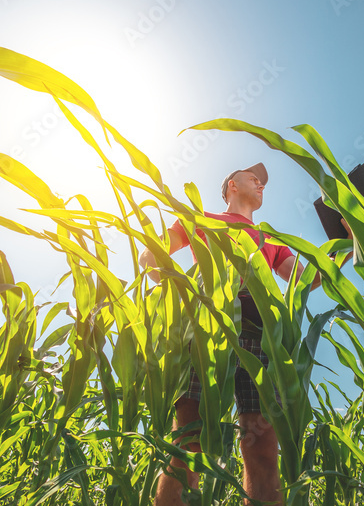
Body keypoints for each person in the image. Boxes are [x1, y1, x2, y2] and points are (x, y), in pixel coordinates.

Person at [140, 162, 349, 506]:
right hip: (208, 332)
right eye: (252, 177)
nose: (260, 182)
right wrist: (184, 293)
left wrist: (345, 242)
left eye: (263, 181)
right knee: (190, 443)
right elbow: (152, 256)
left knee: (264, 452)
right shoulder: (201, 220)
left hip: (261, 337)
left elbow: (306, 278)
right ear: (231, 187)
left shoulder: (269, 238)